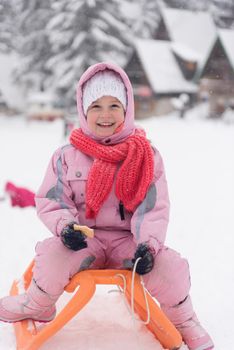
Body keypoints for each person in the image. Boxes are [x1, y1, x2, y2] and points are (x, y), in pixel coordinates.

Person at [0, 62, 214, 350]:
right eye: (96, 106)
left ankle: (185, 320)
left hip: (129, 242)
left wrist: (148, 245)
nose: (105, 114)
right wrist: (66, 229)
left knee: (170, 267)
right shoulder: (66, 156)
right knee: (51, 255)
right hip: (84, 241)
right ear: (83, 111)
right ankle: (38, 304)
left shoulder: (146, 155)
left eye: (114, 105)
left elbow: (153, 207)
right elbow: (53, 199)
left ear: (127, 110)